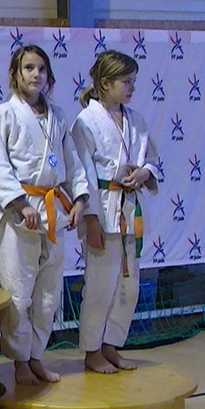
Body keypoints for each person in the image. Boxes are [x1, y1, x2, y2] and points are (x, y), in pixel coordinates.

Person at [0, 44, 89, 385]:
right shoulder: (3, 115)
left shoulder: (58, 116)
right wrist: (21, 204)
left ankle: (36, 356)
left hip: (53, 210)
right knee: (18, 293)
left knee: (48, 294)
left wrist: (80, 199)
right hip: (20, 214)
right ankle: (20, 362)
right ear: (15, 74)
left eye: (42, 69)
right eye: (28, 68)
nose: (36, 74)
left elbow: (72, 161)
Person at [70, 49, 159, 375]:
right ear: (105, 84)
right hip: (103, 213)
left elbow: (152, 159)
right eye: (126, 82)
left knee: (128, 286)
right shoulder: (86, 122)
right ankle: (92, 350)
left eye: (133, 81)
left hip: (130, 211)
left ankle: (111, 345)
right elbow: (82, 173)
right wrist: (91, 219)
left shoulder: (136, 120)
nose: (132, 88)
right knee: (100, 285)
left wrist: (145, 172)